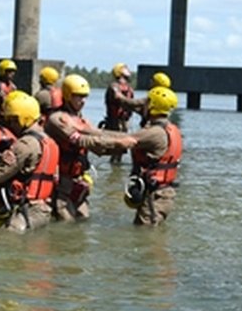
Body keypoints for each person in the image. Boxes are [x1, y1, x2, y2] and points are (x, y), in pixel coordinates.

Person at [44, 74, 134, 221]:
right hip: (61, 182)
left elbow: (98, 133)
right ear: (68, 95)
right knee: (66, 224)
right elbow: (81, 140)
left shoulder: (80, 119)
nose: (83, 101)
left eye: (85, 97)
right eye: (78, 97)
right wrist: (118, 143)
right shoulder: (56, 119)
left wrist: (128, 138)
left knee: (83, 221)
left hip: (78, 181)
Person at [0, 91, 59, 232]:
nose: (12, 125)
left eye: (13, 120)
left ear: (23, 118)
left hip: (25, 211)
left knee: (2, 242)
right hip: (44, 210)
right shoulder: (50, 142)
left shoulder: (24, 144)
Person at [125, 86, 183, 226]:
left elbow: (124, 140)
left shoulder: (155, 133)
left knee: (145, 237)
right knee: (152, 237)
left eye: (147, 102)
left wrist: (86, 136)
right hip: (163, 193)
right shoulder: (171, 129)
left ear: (152, 105)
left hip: (154, 196)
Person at [101, 63, 142, 163]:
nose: (128, 69)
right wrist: (139, 103)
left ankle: (116, 169)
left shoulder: (128, 88)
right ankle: (114, 172)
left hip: (124, 122)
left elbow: (130, 105)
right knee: (116, 148)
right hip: (114, 122)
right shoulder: (114, 86)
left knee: (120, 150)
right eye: (125, 68)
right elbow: (119, 98)